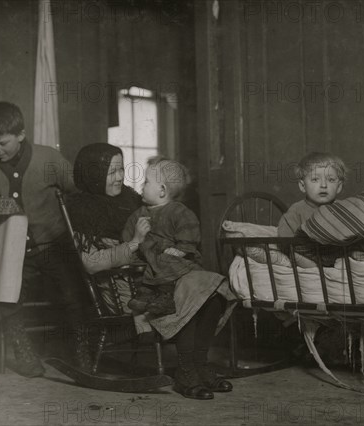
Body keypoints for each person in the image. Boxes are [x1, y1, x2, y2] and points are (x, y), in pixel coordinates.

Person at [67, 143, 237, 400]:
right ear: (93, 173)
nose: (119, 177)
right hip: (128, 288)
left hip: (158, 276)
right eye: (110, 171)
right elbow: (90, 263)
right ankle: (186, 371)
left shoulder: (132, 200)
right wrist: (135, 242)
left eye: (121, 169)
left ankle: (199, 365)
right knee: (193, 293)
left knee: (212, 294)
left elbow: (168, 227)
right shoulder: (80, 208)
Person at [0, 101, 86, 378]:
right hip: (11, 250)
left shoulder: (49, 159)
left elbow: (80, 190)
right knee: (7, 297)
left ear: (21, 135)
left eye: (2, 142)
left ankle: (83, 353)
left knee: (75, 292)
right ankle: (24, 351)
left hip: (53, 243)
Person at [121, 157, 203, 316]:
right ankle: (147, 294)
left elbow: (189, 231)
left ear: (162, 190)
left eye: (146, 182)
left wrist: (181, 249)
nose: (141, 187)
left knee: (167, 262)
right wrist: (134, 239)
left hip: (174, 258)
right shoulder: (140, 213)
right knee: (143, 265)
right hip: (149, 257)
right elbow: (128, 235)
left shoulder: (179, 212)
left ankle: (166, 297)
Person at [278, 152, 347, 237]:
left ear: (339, 186)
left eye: (331, 180)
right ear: (302, 186)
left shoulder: (344, 209)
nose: (323, 185)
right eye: (315, 179)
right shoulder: (296, 211)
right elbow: (285, 241)